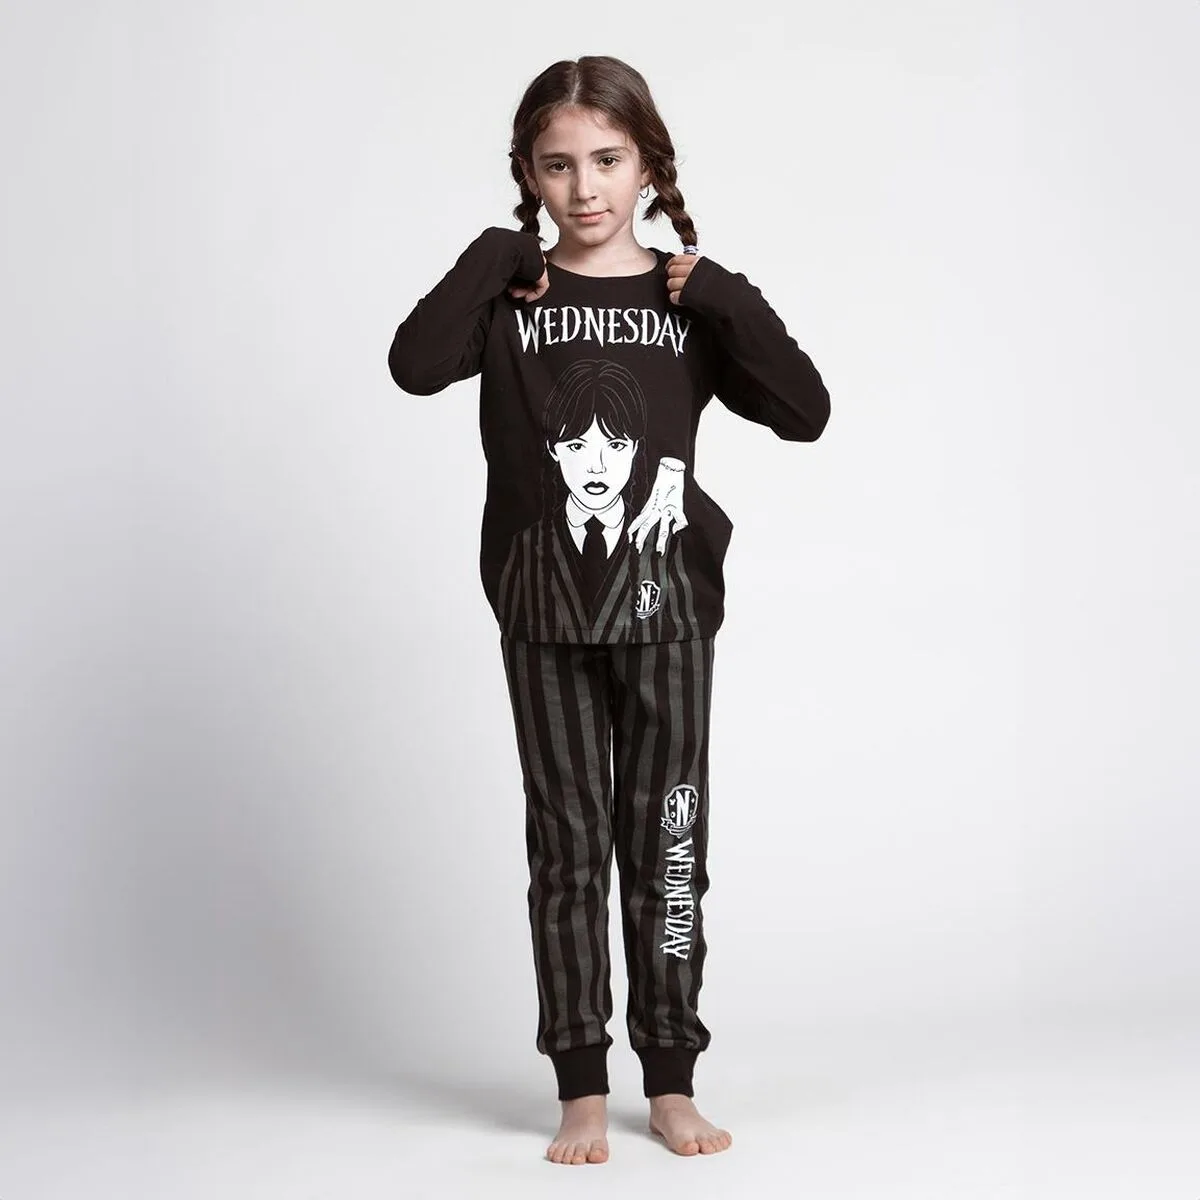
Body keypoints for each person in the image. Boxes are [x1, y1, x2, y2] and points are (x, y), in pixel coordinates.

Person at [387, 54, 830, 1165]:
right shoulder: (510, 296)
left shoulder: (688, 302)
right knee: (569, 849)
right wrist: (495, 257)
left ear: (647, 165)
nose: (584, 188)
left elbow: (805, 410)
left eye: (608, 160)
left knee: (668, 844)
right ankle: (580, 1085)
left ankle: (670, 1077)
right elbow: (414, 365)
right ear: (528, 175)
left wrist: (719, 291)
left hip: (668, 612)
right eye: (557, 166)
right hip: (542, 614)